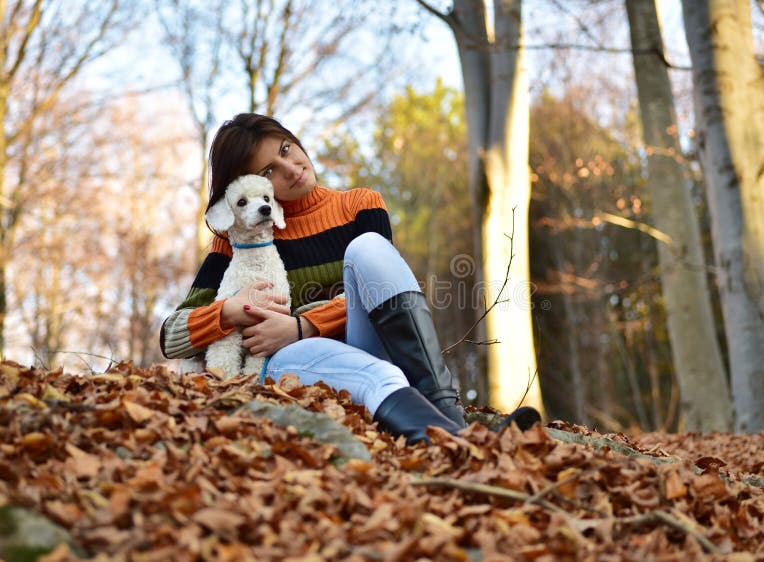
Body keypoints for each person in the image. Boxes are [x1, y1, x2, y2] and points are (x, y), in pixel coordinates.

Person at [160, 113, 539, 444]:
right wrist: (229, 311)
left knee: (370, 247)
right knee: (381, 375)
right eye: (268, 171)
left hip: (360, 338)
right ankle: (459, 442)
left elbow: (380, 290)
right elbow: (170, 335)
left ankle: (449, 415)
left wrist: (304, 324)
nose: (291, 168)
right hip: (292, 360)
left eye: (287, 149)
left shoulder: (359, 204)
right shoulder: (236, 240)